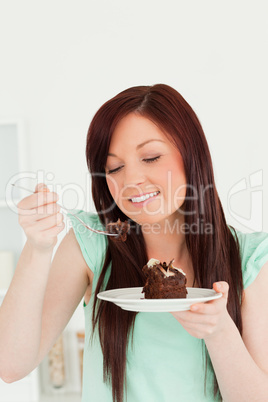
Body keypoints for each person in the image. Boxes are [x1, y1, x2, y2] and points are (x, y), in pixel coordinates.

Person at [0, 84, 268, 402]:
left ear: (191, 153)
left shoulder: (250, 258)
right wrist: (38, 248)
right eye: (114, 167)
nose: (131, 181)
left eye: (151, 157)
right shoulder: (92, 245)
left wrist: (219, 330)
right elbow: (11, 365)